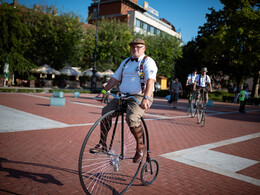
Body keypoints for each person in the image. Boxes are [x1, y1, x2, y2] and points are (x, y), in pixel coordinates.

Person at [90, 38, 158, 163]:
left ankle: (140, 147)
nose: (135, 49)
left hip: (139, 96)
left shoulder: (148, 62)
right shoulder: (126, 62)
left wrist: (146, 98)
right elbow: (115, 78)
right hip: (123, 96)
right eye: (133, 47)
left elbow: (150, 81)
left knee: (131, 119)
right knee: (105, 112)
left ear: (144, 48)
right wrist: (103, 92)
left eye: (138, 47)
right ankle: (102, 144)